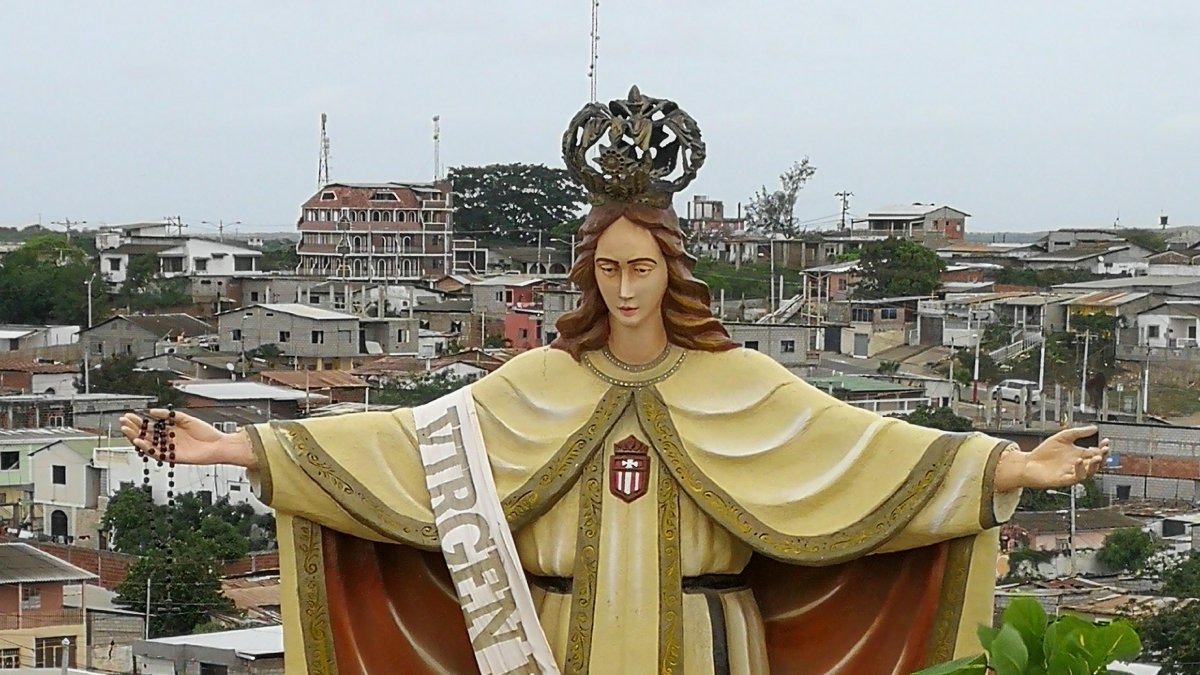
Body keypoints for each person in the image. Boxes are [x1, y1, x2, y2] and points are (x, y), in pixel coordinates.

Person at [122, 87, 1109, 675]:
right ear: (586, 273)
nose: (626, 289)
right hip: (557, 642)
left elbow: (865, 455)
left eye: (644, 268)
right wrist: (230, 444)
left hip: (710, 642)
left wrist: (1012, 466)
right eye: (608, 269)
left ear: (674, 271)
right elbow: (405, 447)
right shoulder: (537, 384)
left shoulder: (742, 385)